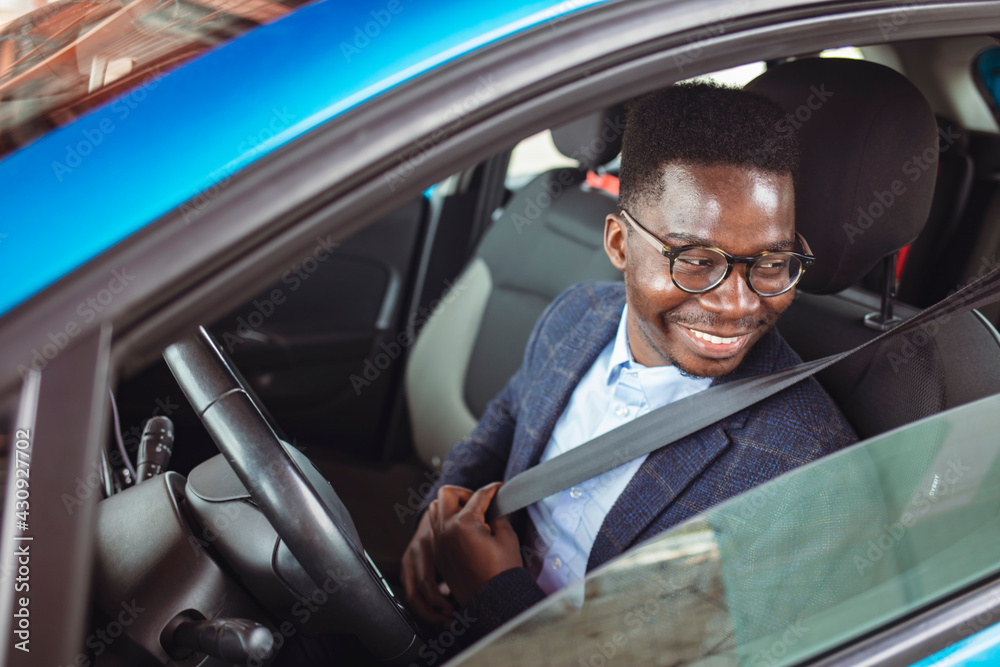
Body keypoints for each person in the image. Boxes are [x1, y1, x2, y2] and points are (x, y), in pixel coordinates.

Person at [400, 81, 858, 645]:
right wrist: (443, 508)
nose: (738, 303)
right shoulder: (575, 316)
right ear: (619, 244)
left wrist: (495, 595)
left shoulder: (806, 474)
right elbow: (499, 432)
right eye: (695, 260)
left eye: (771, 262)